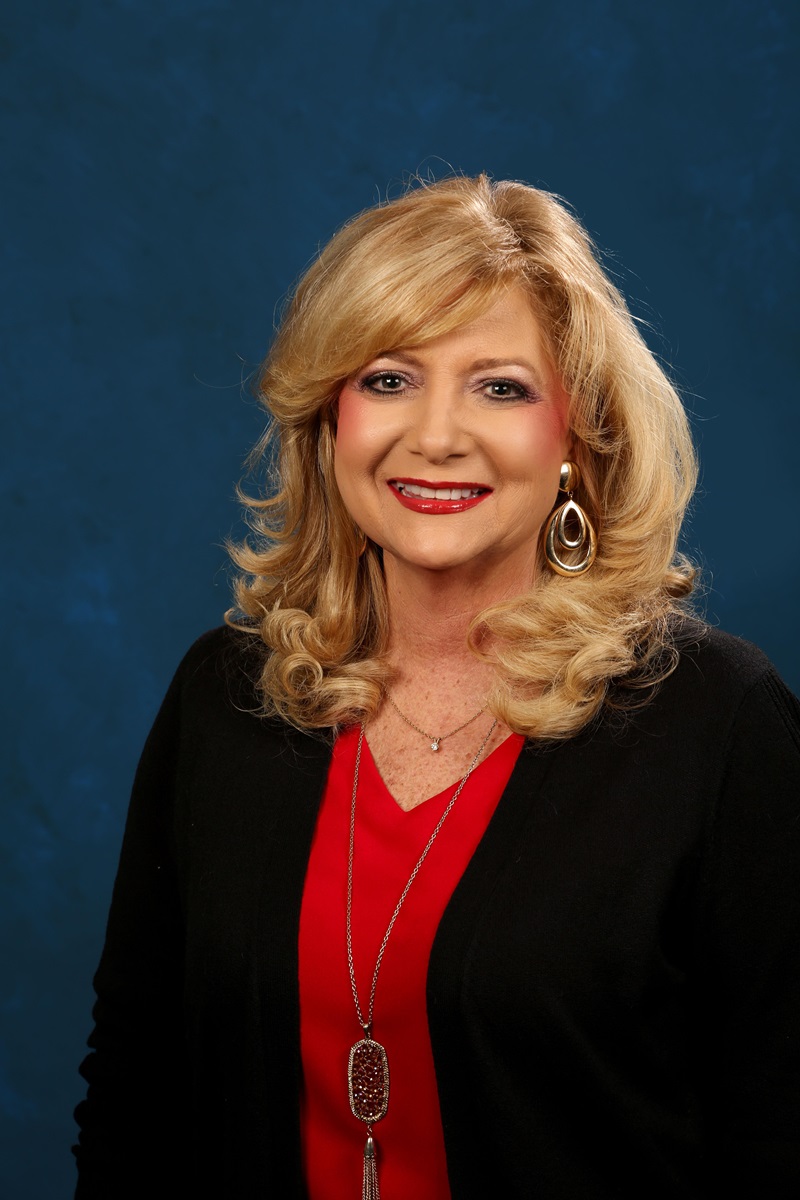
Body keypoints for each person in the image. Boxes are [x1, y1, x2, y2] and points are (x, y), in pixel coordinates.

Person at [73, 175, 800, 1199]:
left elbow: (780, 1133)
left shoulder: (715, 722)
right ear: (329, 419)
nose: (436, 435)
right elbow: (134, 1095)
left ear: (575, 433)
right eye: (388, 379)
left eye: (499, 387)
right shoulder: (226, 697)